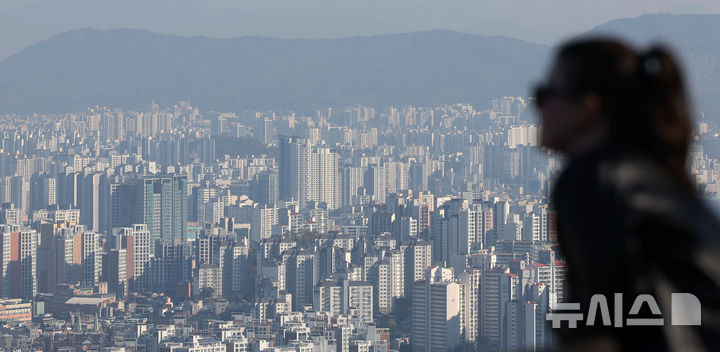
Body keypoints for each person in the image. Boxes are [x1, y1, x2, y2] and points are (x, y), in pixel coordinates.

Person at [536, 38, 720, 351]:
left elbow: (603, 317)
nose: (537, 105)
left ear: (587, 108)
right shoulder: (654, 175)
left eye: (545, 94)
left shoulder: (593, 179)